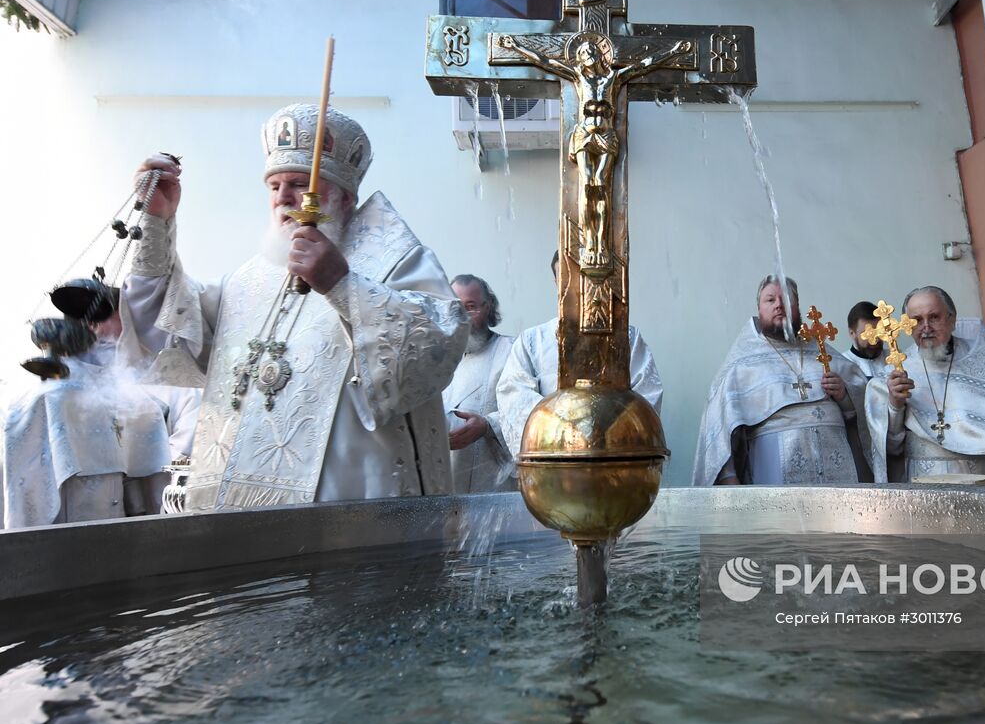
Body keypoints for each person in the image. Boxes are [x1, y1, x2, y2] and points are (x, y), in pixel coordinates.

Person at [117, 104, 467, 509]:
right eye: (274, 185)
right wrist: (156, 224)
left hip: (349, 502)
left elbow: (437, 342)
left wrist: (341, 285)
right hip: (240, 508)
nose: (284, 196)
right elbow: (171, 331)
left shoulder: (395, 262)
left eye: (301, 184)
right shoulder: (246, 280)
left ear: (345, 197)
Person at [3, 286, 200, 528]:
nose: (96, 329)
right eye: (88, 321)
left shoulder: (168, 383)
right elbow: (27, 492)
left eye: (106, 319)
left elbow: (169, 460)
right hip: (63, 526)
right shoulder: (43, 395)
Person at [694, 276, 872, 486]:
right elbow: (721, 431)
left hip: (838, 472)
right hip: (774, 478)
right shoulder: (741, 365)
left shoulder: (823, 353)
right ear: (759, 310)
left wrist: (845, 396)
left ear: (798, 308)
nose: (779, 305)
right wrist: (730, 484)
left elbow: (863, 412)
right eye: (770, 300)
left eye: (787, 300)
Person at [865, 286, 985, 482]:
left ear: (952, 320)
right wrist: (895, 406)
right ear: (906, 325)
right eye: (917, 320)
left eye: (935, 317)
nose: (926, 327)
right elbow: (890, 449)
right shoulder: (892, 377)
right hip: (928, 480)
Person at [496, 251, 663, 467]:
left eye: (582, 275)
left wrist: (607, 432)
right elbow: (514, 396)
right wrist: (565, 430)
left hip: (614, 459)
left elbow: (646, 395)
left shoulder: (627, 337)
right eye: (566, 277)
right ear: (556, 282)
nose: (576, 284)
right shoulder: (531, 341)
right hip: (554, 461)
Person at [443, 274, 515, 493]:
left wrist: (487, 425)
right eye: (456, 309)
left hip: (493, 488)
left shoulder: (511, 351)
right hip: (444, 490)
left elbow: (527, 415)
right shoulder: (437, 360)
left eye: (470, 307)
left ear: (488, 306)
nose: (462, 318)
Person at [841, 301, 885, 381]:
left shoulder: (894, 357)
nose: (875, 339)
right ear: (852, 333)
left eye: (879, 331)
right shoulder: (842, 364)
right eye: (868, 333)